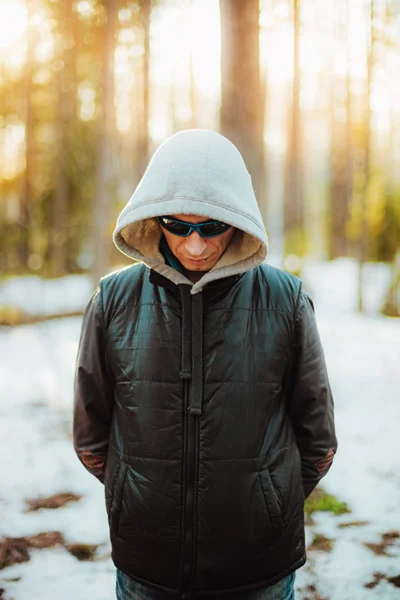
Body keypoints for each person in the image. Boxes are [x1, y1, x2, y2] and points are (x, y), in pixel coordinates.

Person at [73, 129, 337, 600]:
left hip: (259, 570)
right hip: (147, 567)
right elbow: (91, 433)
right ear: (155, 219)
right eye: (179, 225)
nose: (195, 246)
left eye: (212, 226)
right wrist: (135, 495)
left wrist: (268, 502)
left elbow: (317, 440)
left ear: (238, 220)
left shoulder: (286, 300)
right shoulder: (113, 300)